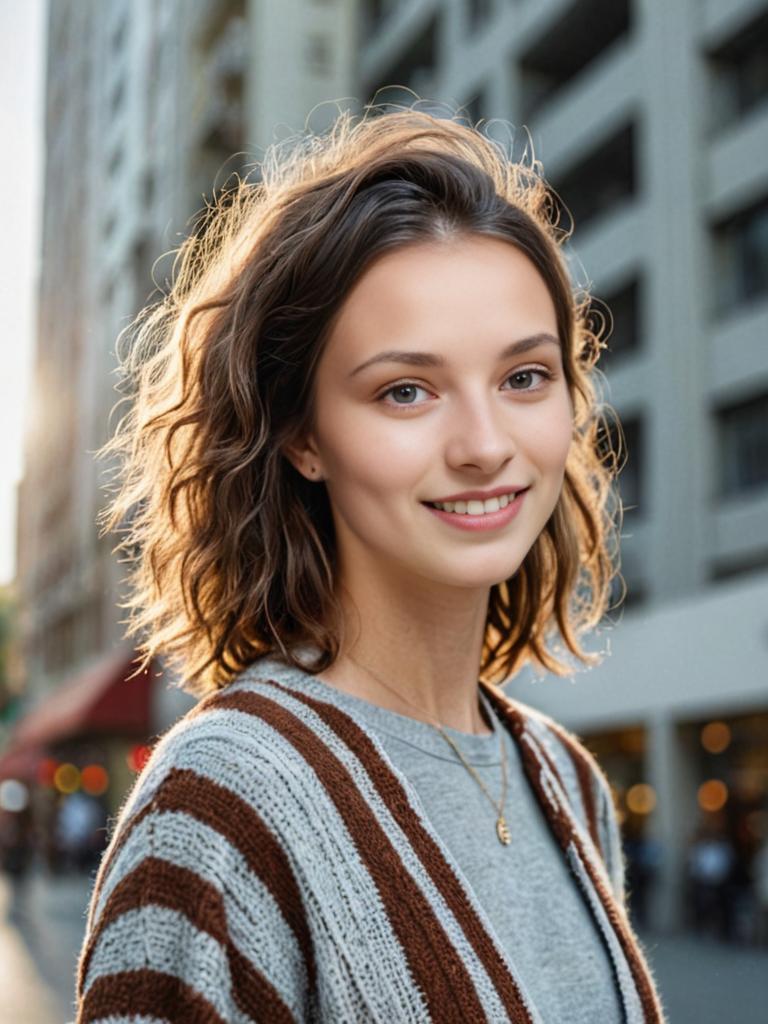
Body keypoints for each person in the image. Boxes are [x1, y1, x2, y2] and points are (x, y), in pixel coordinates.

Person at [74, 105, 666, 1022]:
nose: (484, 445)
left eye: (523, 377)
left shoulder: (565, 779)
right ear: (304, 435)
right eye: (406, 390)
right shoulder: (222, 803)